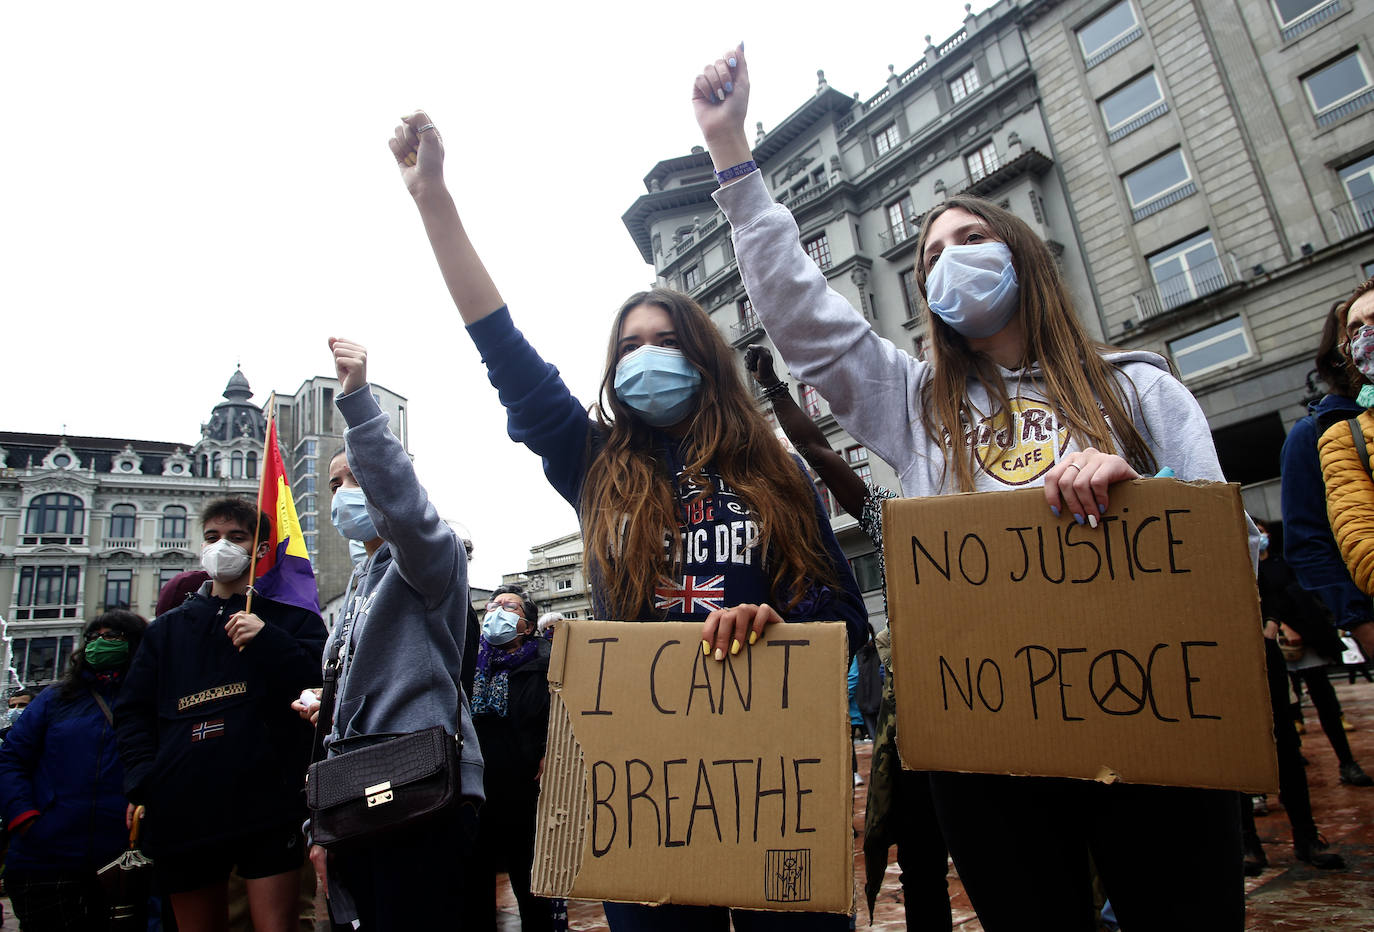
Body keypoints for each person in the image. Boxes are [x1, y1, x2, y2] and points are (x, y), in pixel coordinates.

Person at [692, 45, 1250, 930]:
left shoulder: (1142, 390)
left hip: (1154, 736)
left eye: (970, 239)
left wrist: (1147, 493)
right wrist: (731, 154)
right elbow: (805, 317)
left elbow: (1230, 557)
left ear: (1021, 254)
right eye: (930, 257)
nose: (949, 259)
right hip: (996, 754)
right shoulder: (917, 407)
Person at [390, 110, 868, 931]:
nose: (647, 355)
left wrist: (777, 625)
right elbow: (505, 352)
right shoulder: (595, 465)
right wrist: (434, 200)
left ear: (703, 358)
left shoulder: (776, 474)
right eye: (630, 346)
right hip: (643, 785)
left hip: (769, 770)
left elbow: (846, 620)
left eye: (666, 340)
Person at [746, 342, 950, 928]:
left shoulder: (1020, 521)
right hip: (921, 724)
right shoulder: (897, 523)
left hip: (998, 720)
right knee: (920, 858)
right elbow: (817, 451)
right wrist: (776, 390)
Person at [293, 337, 482, 931]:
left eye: (356, 477)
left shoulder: (431, 559)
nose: (344, 494)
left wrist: (357, 405)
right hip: (357, 790)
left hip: (421, 787)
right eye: (334, 484)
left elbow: (404, 509)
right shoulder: (356, 587)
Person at [115, 497, 326, 932]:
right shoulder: (166, 631)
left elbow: (320, 684)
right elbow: (133, 713)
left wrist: (268, 639)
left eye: (236, 537)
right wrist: (144, 781)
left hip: (268, 806)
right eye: (212, 537)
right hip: (183, 808)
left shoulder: (293, 620)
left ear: (260, 548)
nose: (221, 546)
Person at [0, 610, 147, 929]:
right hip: (45, 860)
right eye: (93, 637)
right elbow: (10, 759)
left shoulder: (150, 699)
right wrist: (25, 819)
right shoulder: (54, 699)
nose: (99, 643)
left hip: (120, 860)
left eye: (112, 637)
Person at [1241, 518, 1349, 874]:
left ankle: (1306, 835)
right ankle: (1248, 844)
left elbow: (1274, 586)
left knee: (1284, 744)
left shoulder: (1257, 553)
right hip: (1218, 651)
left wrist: (1271, 622)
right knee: (1232, 750)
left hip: (1261, 647)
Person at [1282, 290, 1374, 669]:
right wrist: (1361, 623)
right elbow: (1309, 543)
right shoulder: (1319, 435)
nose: (1366, 336)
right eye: (1356, 330)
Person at [1254, 518, 1371, 786]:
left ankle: (1346, 761)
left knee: (1324, 699)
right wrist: (1278, 625)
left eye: (1261, 532)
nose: (1259, 538)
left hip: (1306, 639)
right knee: (1282, 708)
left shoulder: (1284, 563)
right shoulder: (1252, 568)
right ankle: (1293, 757)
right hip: (1274, 642)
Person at [464, 584, 553, 932]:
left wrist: (549, 752)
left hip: (526, 789)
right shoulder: (470, 665)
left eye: (510, 607)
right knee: (475, 883)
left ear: (528, 626)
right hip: (477, 791)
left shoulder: (547, 661)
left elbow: (563, 714)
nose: (498, 611)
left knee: (530, 882)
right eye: (493, 606)